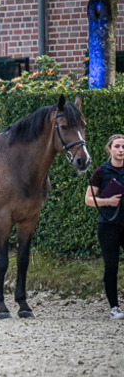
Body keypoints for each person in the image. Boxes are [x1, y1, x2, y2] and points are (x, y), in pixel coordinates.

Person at [84, 133, 124, 320]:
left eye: (123, 147)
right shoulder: (100, 171)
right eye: (117, 146)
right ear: (109, 149)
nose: (121, 150)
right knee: (111, 267)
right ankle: (114, 307)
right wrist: (107, 201)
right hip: (108, 226)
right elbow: (88, 200)